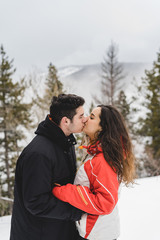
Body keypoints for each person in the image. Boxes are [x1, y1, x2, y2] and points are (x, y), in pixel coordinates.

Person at [10, 94, 88, 240]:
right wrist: (76, 211)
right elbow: (36, 202)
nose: (85, 119)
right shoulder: (39, 154)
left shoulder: (65, 143)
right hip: (38, 233)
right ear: (66, 121)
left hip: (59, 229)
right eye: (81, 116)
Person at [53, 105, 136, 240]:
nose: (85, 119)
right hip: (98, 232)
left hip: (97, 234)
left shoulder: (102, 160)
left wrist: (62, 191)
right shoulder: (100, 154)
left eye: (91, 117)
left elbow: (105, 202)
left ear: (103, 127)